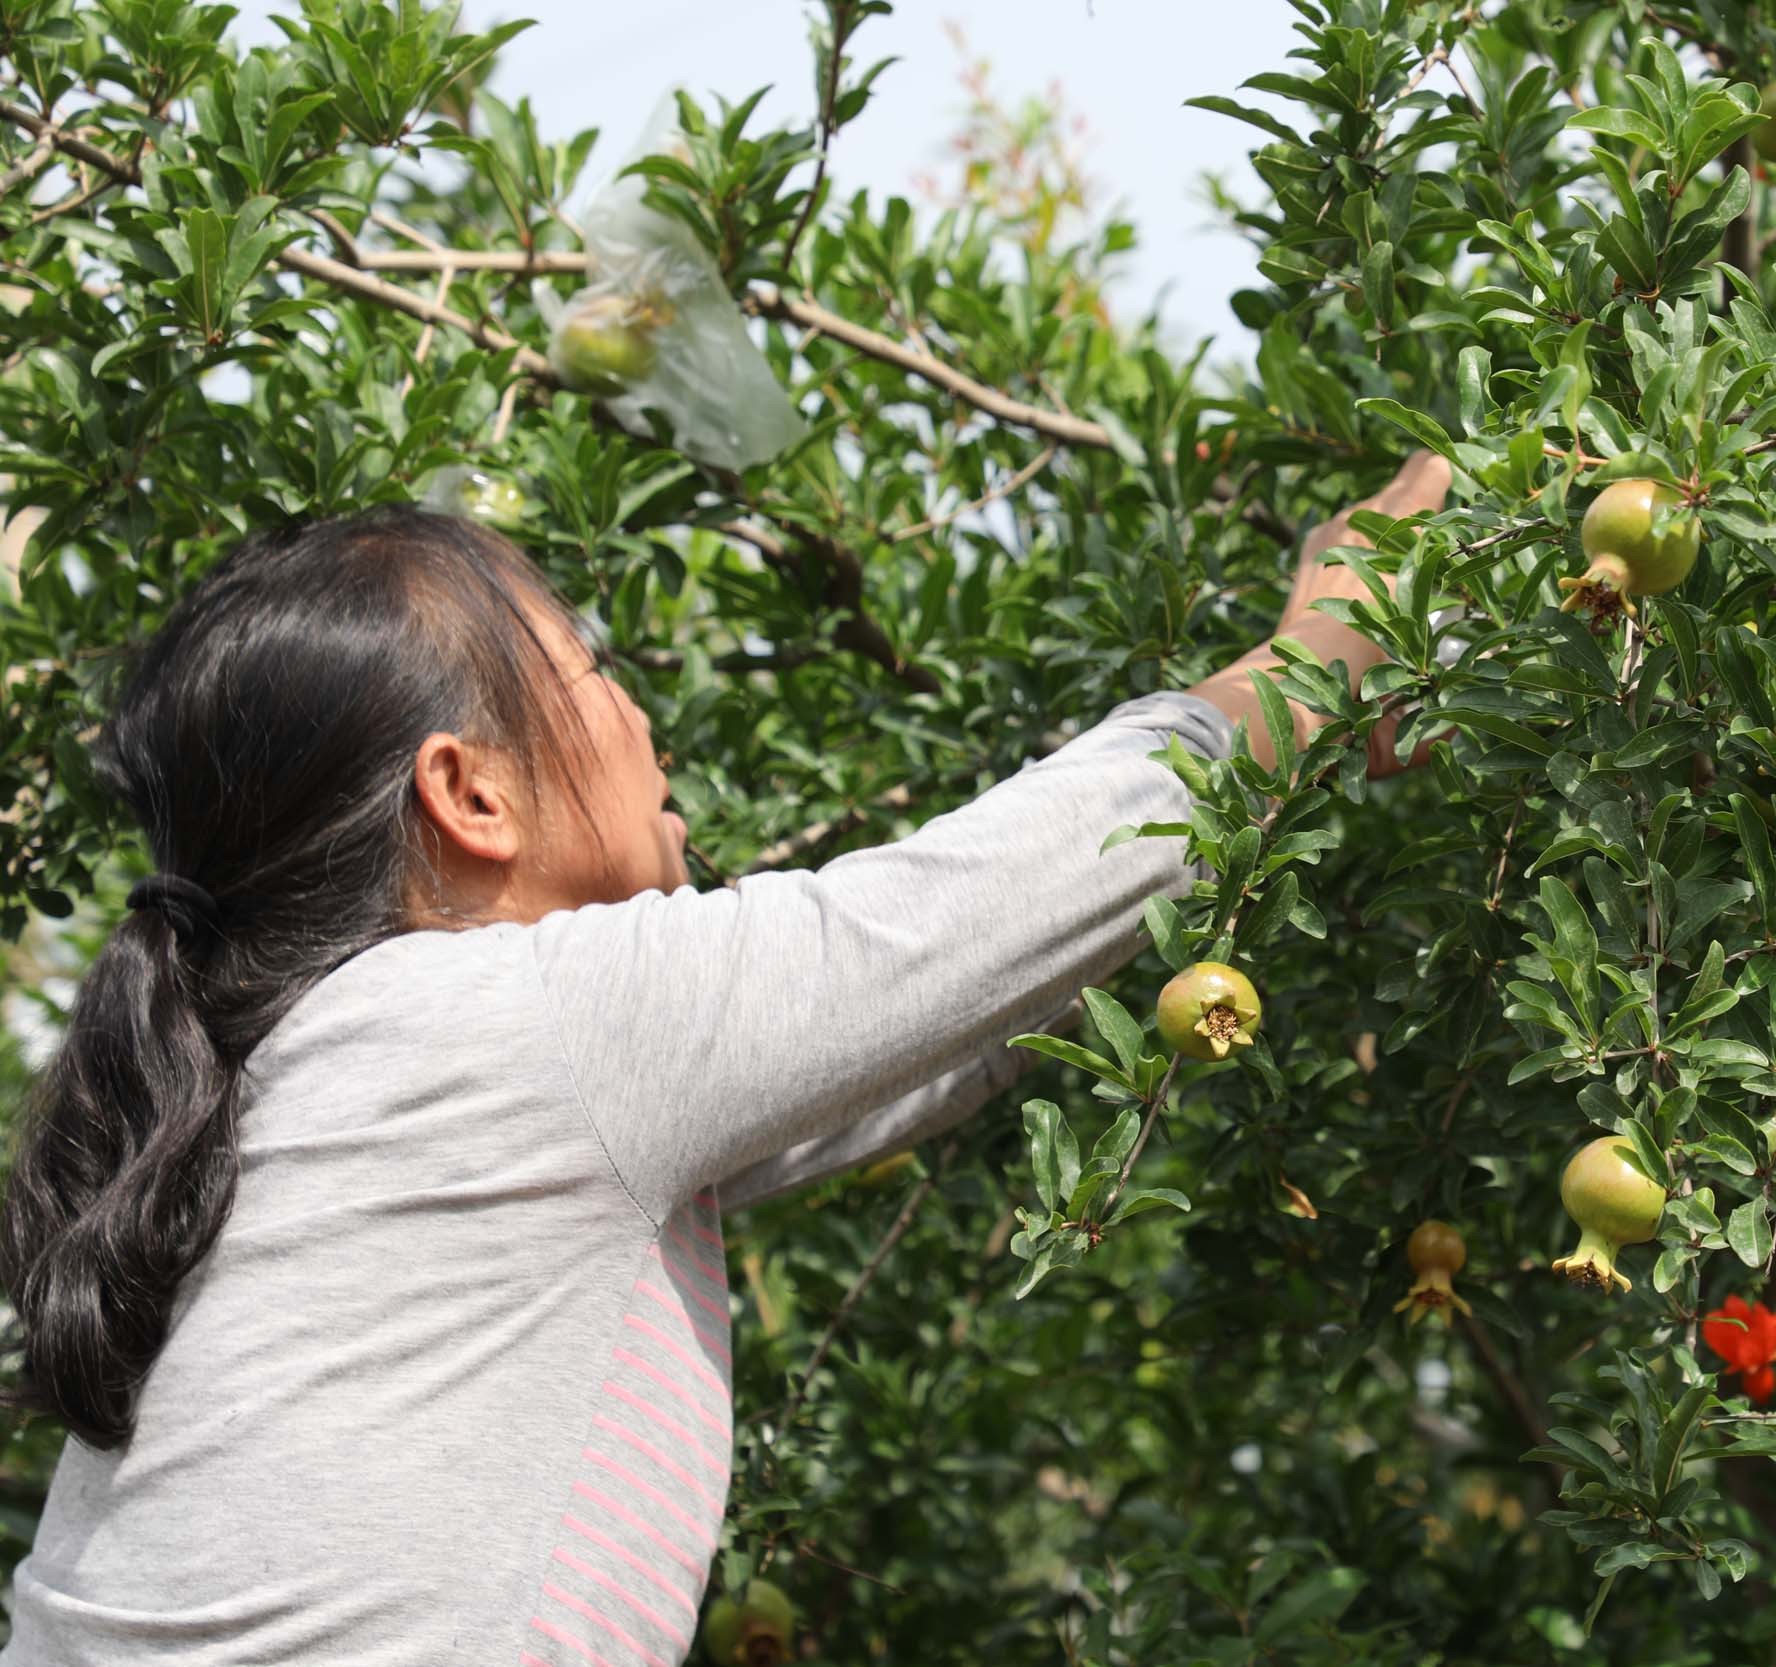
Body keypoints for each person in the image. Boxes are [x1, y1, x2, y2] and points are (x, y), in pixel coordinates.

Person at [0, 453, 1452, 1664]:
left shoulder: (298, 1084)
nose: (641, 719)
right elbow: (955, 926)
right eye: (595, 669)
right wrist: (1327, 644)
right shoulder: (517, 1029)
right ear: (471, 792)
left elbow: (950, 1018)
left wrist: (1284, 759)